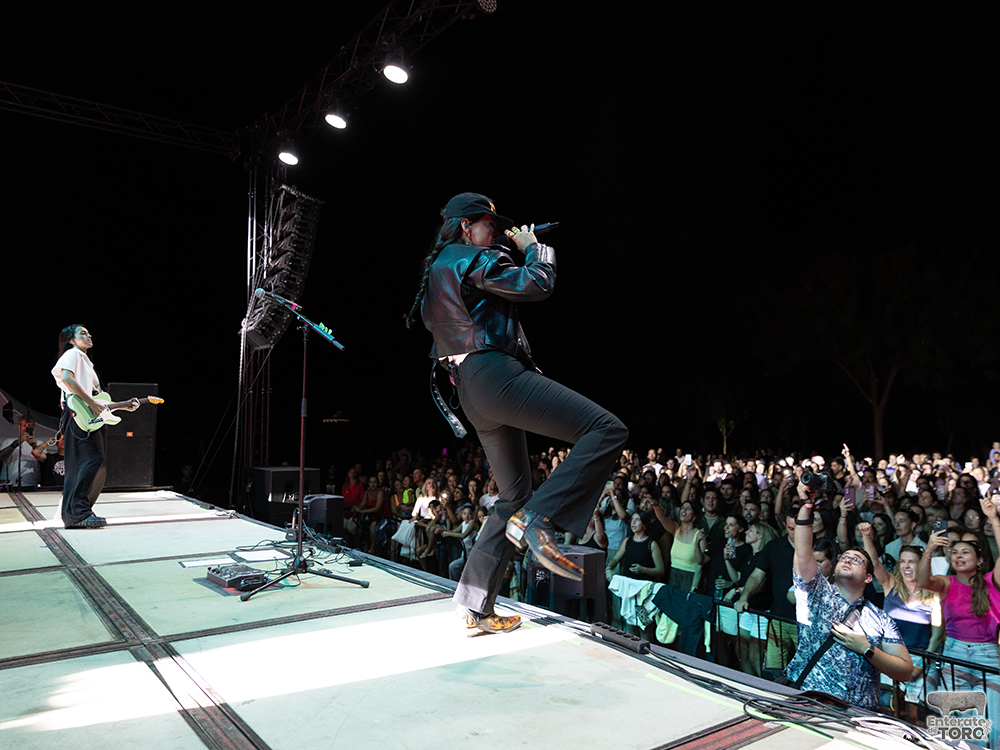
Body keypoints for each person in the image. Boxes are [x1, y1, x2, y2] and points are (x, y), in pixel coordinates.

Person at [407, 193, 628, 634]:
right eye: (490, 224)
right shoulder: (467, 257)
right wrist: (535, 249)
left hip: (471, 391)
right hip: (493, 374)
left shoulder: (440, 268)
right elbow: (536, 284)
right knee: (607, 428)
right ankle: (539, 519)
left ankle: (474, 605)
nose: (497, 232)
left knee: (511, 496)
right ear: (467, 226)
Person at [784, 502, 912, 709]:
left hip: (859, 712)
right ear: (834, 571)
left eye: (857, 560)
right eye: (844, 557)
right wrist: (806, 507)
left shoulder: (880, 618)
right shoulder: (816, 594)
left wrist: (867, 649)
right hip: (810, 702)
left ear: (869, 578)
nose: (848, 560)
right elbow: (802, 551)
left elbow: (905, 670)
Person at [918, 495, 1000, 748]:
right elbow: (922, 581)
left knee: (994, 723)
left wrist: (994, 519)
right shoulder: (945, 583)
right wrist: (930, 547)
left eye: (965, 552)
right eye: (954, 552)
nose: (958, 556)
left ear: (980, 560)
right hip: (954, 652)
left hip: (988, 653)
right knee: (962, 725)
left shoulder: (991, 581)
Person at [51, 325, 138, 528]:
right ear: (71, 340)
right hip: (79, 416)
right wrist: (90, 402)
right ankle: (78, 513)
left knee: (87, 462)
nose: (88, 335)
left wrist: (123, 407)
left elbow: (98, 400)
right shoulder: (73, 354)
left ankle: (76, 512)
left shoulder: (85, 361)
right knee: (89, 460)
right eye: (82, 333)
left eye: (89, 333)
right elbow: (66, 378)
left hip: (87, 417)